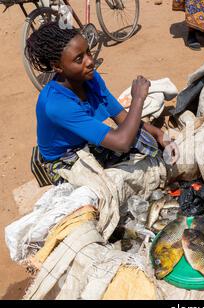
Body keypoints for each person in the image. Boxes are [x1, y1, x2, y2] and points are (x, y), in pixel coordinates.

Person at [26, 22, 179, 187]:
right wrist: (138, 99)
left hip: (85, 143)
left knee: (145, 142)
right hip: (64, 160)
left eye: (88, 53)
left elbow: (121, 117)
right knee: (108, 186)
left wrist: (160, 135)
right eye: (79, 59)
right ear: (57, 66)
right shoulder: (56, 105)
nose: (90, 61)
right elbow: (122, 142)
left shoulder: (89, 77)